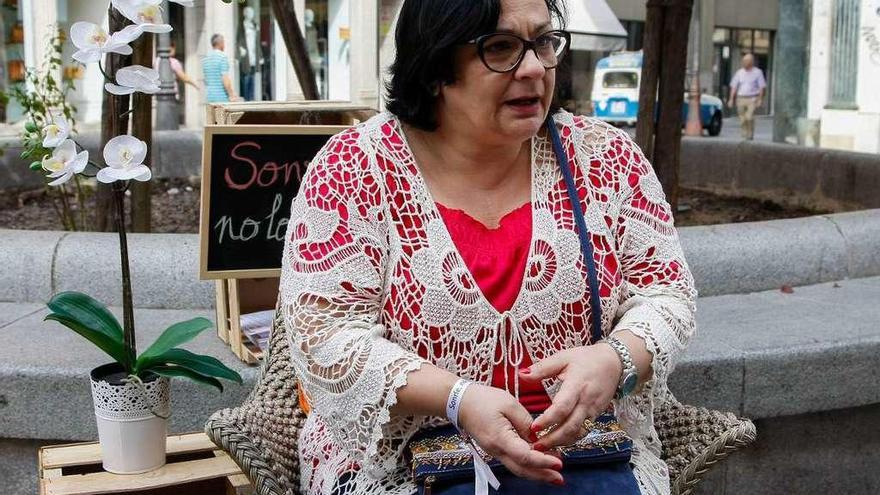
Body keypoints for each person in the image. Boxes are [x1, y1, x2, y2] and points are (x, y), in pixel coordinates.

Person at [279, 0, 696, 494]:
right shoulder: (355, 169)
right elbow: (324, 335)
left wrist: (614, 359)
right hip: (401, 467)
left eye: (543, 41)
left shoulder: (605, 158)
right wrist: (458, 399)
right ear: (435, 66)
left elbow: (668, 295)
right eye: (501, 48)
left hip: (582, 462)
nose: (535, 68)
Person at [727, 53, 766, 140]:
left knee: (749, 117)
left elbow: (762, 87)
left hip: (752, 98)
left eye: (746, 61)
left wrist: (760, 99)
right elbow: (734, 86)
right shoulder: (739, 72)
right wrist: (731, 99)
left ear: (751, 62)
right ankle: (744, 133)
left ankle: (750, 134)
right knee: (742, 118)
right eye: (743, 61)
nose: (744, 63)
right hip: (740, 98)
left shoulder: (758, 72)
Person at [202, 34, 239, 103]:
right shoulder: (222, 57)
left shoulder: (205, 59)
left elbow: (205, 80)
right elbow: (225, 79)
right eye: (224, 43)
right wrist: (231, 95)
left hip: (209, 97)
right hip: (222, 98)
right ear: (221, 43)